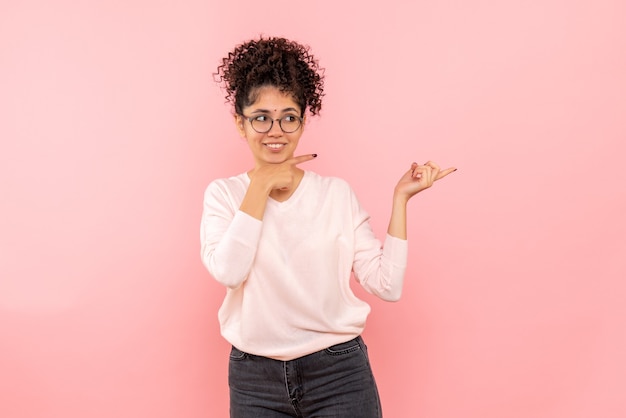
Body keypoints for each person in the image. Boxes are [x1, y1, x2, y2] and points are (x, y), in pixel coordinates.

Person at [201, 36, 456, 418]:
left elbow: (387, 286)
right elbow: (229, 271)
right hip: (255, 378)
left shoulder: (336, 195)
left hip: (339, 374)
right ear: (241, 123)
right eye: (261, 118)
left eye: (289, 117)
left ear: (303, 121)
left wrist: (400, 199)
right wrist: (261, 185)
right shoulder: (223, 195)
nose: (276, 130)